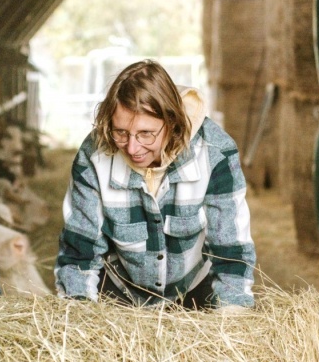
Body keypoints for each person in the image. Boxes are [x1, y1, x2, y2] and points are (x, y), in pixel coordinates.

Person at [54, 60, 255, 309]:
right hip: (118, 292)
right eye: (121, 132)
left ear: (172, 122)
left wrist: (232, 316)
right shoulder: (94, 156)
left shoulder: (215, 152)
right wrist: (80, 316)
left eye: (146, 134)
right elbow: (79, 253)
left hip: (193, 291)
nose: (132, 148)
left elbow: (231, 252)